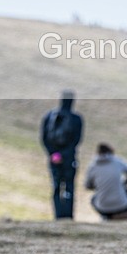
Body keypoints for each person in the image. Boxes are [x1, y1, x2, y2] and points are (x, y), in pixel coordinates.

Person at [40, 89, 83, 220]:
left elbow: (44, 138)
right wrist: (65, 155)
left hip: (54, 158)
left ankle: (58, 214)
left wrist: (54, 154)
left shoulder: (49, 117)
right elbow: (77, 140)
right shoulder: (76, 119)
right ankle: (68, 215)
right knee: (69, 186)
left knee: (56, 186)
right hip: (69, 158)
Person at [84, 143, 127, 220]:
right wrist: (124, 184)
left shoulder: (93, 166)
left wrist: (98, 187)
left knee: (93, 199)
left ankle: (108, 216)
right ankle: (123, 214)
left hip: (103, 207)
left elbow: (87, 186)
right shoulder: (117, 161)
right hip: (123, 205)